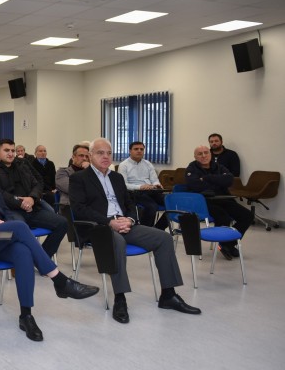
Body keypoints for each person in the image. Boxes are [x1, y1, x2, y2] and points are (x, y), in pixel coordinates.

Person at [0, 142, 99, 342]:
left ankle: (26, 315)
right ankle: (60, 281)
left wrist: (7, 224)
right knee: (21, 227)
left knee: (23, 252)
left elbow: (4, 211)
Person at [69, 138, 201, 324]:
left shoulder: (117, 178)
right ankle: (120, 298)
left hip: (124, 223)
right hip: (99, 227)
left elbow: (130, 203)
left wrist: (130, 220)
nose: (106, 156)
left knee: (163, 238)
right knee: (117, 242)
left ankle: (168, 295)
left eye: (109, 153)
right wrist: (109, 222)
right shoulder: (79, 178)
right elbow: (79, 209)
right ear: (90, 156)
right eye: (100, 153)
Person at [0, 139, 67, 258]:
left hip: (32, 207)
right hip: (10, 210)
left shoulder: (22, 165)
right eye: (6, 150)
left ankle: (41, 257)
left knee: (62, 223)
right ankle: (25, 259)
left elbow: (37, 183)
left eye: (12, 150)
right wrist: (21, 203)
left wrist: (32, 198)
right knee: (20, 229)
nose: (10, 153)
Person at [185, 145, 252, 260]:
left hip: (223, 199)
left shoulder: (218, 167)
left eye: (206, 153)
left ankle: (228, 244)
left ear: (210, 154)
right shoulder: (191, 169)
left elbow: (229, 180)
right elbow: (195, 185)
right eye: (200, 154)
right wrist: (218, 180)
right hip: (204, 202)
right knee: (223, 217)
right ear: (195, 157)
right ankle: (224, 244)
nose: (204, 156)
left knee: (247, 215)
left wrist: (207, 178)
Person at [117, 141, 168, 229]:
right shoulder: (123, 165)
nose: (139, 151)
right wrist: (140, 187)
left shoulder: (148, 164)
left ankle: (158, 229)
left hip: (151, 191)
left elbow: (154, 180)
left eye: (141, 149)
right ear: (130, 151)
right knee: (152, 207)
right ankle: (145, 230)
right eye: (136, 149)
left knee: (173, 203)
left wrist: (157, 185)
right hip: (135, 193)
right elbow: (123, 185)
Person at [55, 144, 90, 210]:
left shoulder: (90, 172)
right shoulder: (62, 172)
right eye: (81, 155)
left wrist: (90, 171)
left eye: (87, 156)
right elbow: (73, 189)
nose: (85, 158)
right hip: (70, 208)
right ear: (73, 157)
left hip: (91, 207)